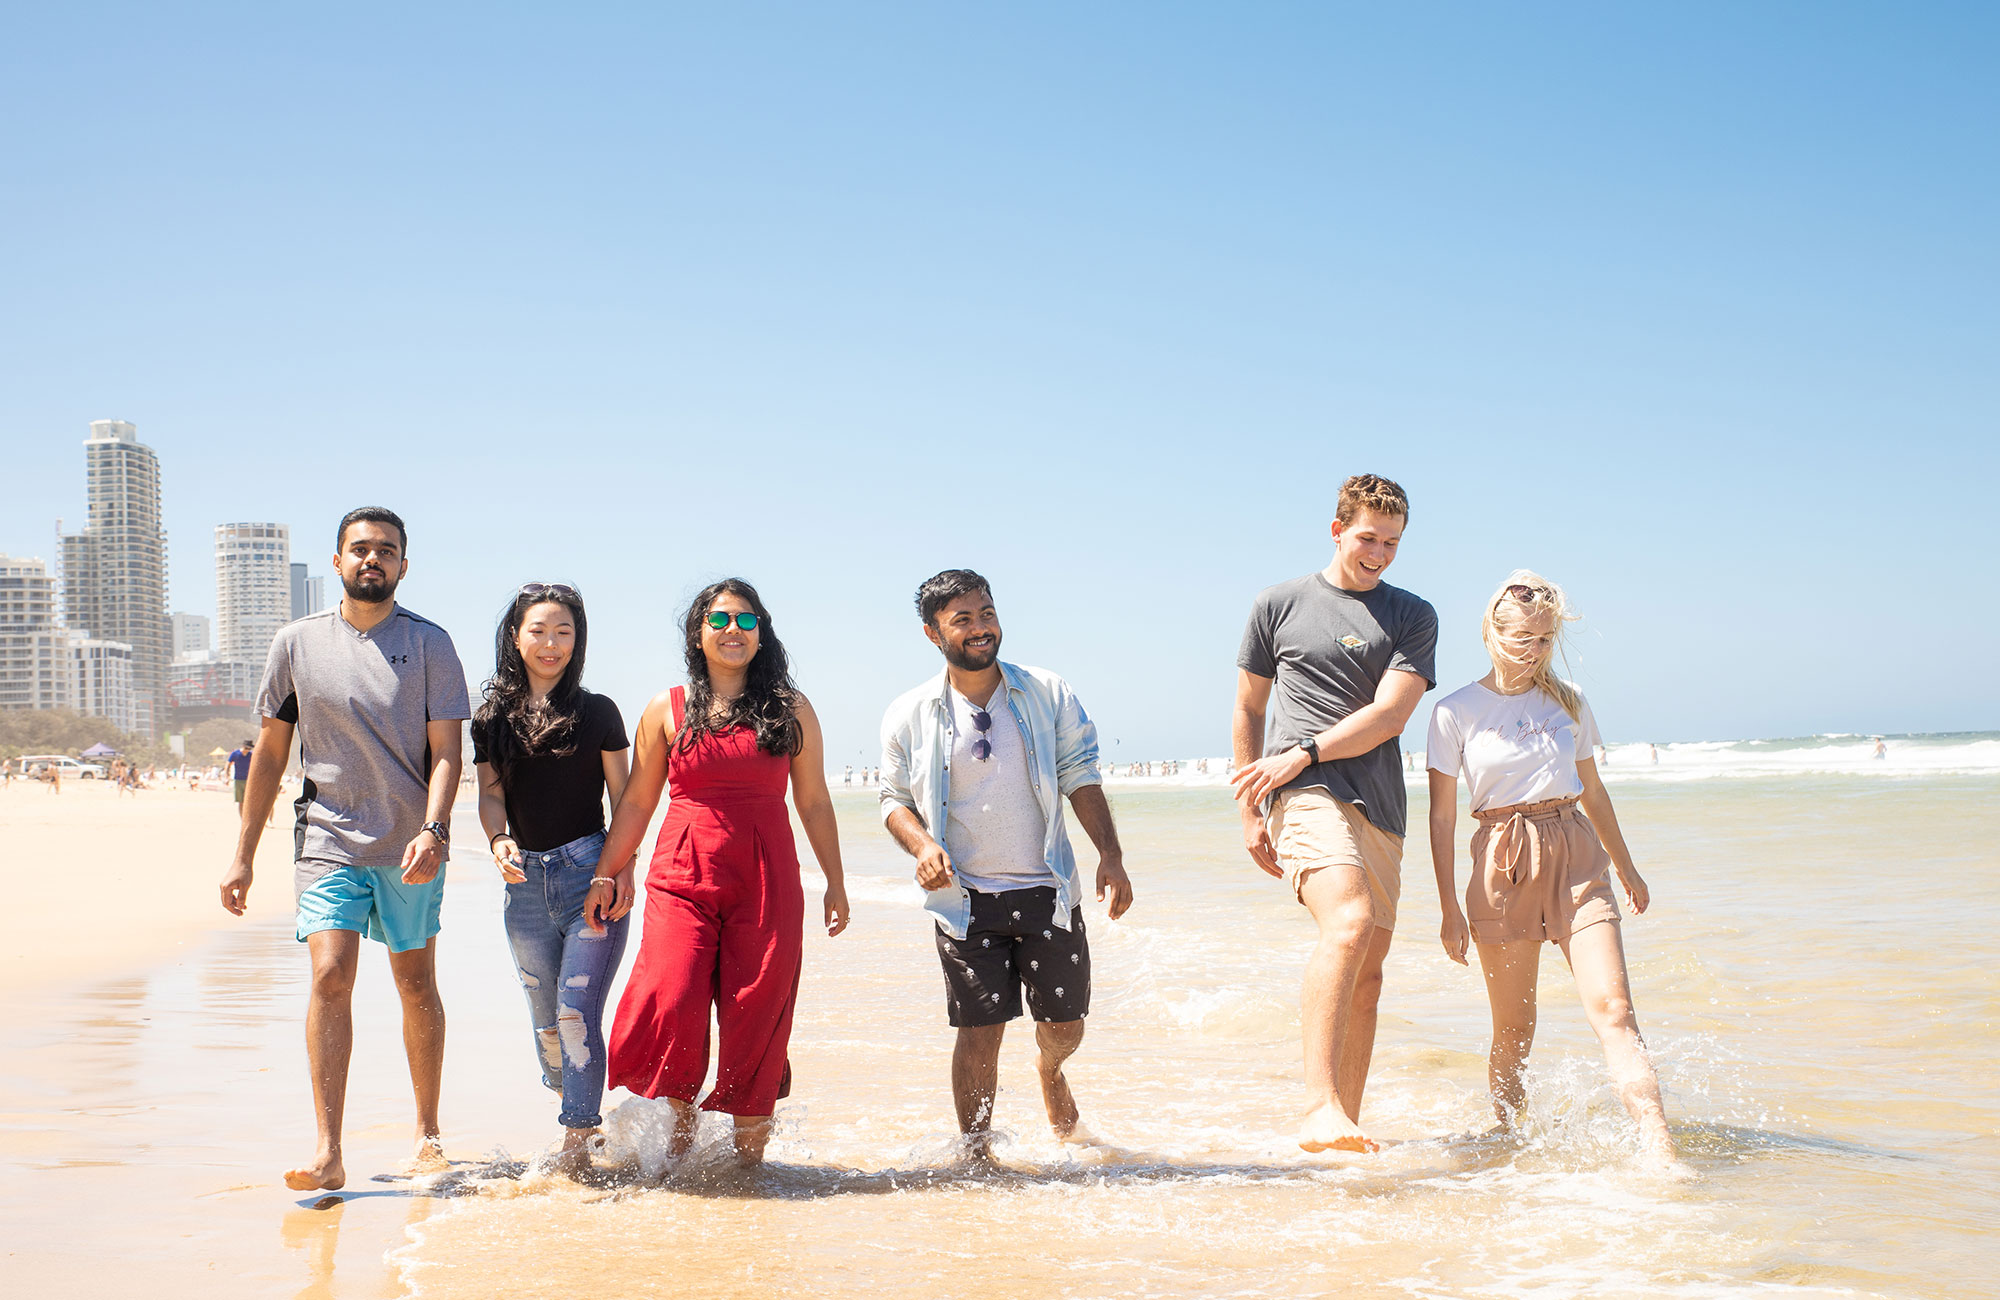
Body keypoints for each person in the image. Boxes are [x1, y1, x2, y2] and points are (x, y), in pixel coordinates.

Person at [218, 507, 471, 1192]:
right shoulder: (296, 644)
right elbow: (272, 754)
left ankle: (426, 1131)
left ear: (403, 566)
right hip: (326, 838)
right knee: (330, 975)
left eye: (386, 551)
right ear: (336, 561)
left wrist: (436, 829)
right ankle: (329, 1149)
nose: (372, 560)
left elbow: (448, 752)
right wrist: (243, 852)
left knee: (415, 985)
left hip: (409, 845)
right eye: (359, 549)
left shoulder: (431, 644)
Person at [1425, 572, 1679, 1169]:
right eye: (1525, 640)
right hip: (1501, 859)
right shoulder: (1453, 712)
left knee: (1614, 1009)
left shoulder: (1569, 700)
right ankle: (1511, 1144)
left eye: (1545, 640)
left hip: (1576, 856)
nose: (1535, 652)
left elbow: (1593, 789)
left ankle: (1659, 1148)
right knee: (1515, 1030)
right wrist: (1447, 908)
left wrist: (1629, 869)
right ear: (1493, 634)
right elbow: (1440, 819)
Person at [881, 570, 1133, 1155]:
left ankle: (1050, 1069)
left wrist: (1111, 857)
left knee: (1065, 1027)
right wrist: (923, 847)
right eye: (962, 619)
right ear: (932, 633)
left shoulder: (1046, 692)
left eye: (986, 613)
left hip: (1048, 889)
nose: (980, 628)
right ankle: (976, 1155)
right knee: (979, 1033)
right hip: (965, 902)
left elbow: (1081, 773)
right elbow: (894, 800)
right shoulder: (910, 712)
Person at [604, 579, 849, 1166]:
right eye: (719, 620)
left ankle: (747, 1168)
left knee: (757, 1010)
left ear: (761, 633)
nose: (732, 630)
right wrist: (607, 872)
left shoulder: (791, 709)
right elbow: (638, 800)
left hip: (766, 875)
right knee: (673, 995)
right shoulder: (666, 708)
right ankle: (681, 1140)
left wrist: (836, 882)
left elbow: (813, 801)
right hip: (682, 870)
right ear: (698, 633)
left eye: (745, 620)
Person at [1229, 474, 1437, 1154]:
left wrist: (1305, 753)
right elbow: (1250, 710)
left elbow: (1390, 716)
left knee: (1369, 972)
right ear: (1336, 529)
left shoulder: (1412, 614)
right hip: (1302, 793)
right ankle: (1317, 1106)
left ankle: (1345, 1125)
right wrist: (1253, 806)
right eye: (1368, 538)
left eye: (1393, 543)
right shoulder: (1277, 604)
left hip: (1379, 803)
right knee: (1346, 923)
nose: (1379, 553)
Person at [473, 584, 634, 1176]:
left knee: (574, 1014)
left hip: (590, 874)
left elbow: (626, 799)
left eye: (563, 632)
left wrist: (621, 872)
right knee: (548, 1028)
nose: (550, 643)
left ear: (577, 640)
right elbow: (491, 798)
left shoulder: (598, 712)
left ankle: (577, 1144)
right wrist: (498, 839)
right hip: (524, 889)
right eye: (538, 630)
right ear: (515, 637)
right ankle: (579, 1106)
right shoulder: (492, 718)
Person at [227, 740, 254, 815]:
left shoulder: (251, 755)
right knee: (241, 802)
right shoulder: (235, 754)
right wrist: (227, 776)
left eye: (249, 749)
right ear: (243, 747)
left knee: (249, 801)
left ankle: (248, 817)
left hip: (249, 780)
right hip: (238, 780)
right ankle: (242, 819)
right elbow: (228, 764)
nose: (248, 750)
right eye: (247, 748)